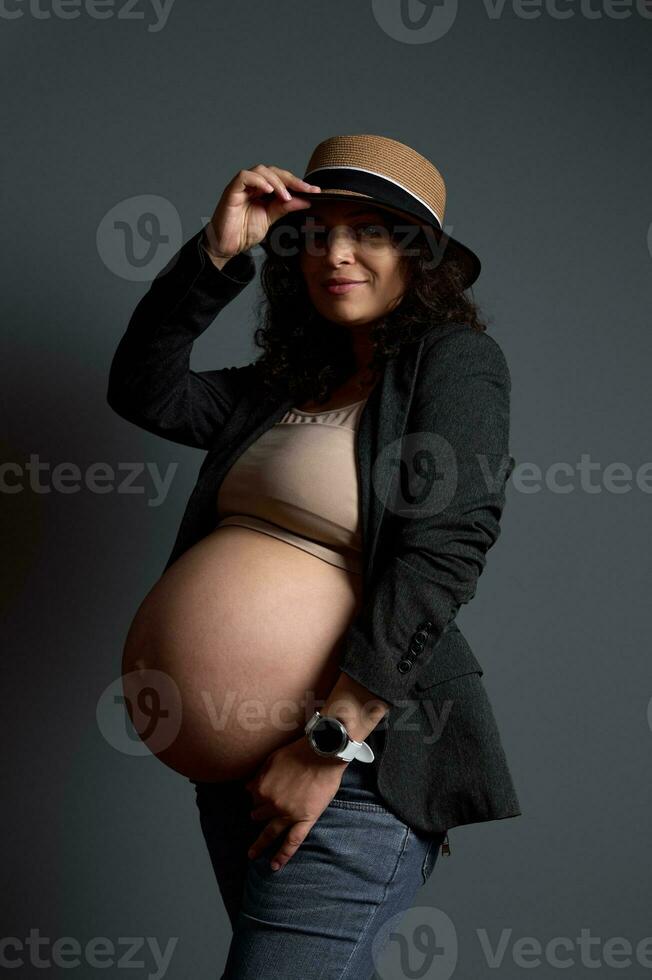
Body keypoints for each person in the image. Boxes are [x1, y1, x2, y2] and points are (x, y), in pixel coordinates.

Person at [107, 134, 521, 979]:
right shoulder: (282, 384)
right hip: (242, 780)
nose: (336, 253)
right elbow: (143, 387)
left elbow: (444, 554)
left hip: (352, 767)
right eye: (318, 231)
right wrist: (216, 253)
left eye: (369, 231)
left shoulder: (454, 364)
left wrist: (325, 746)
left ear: (420, 259)